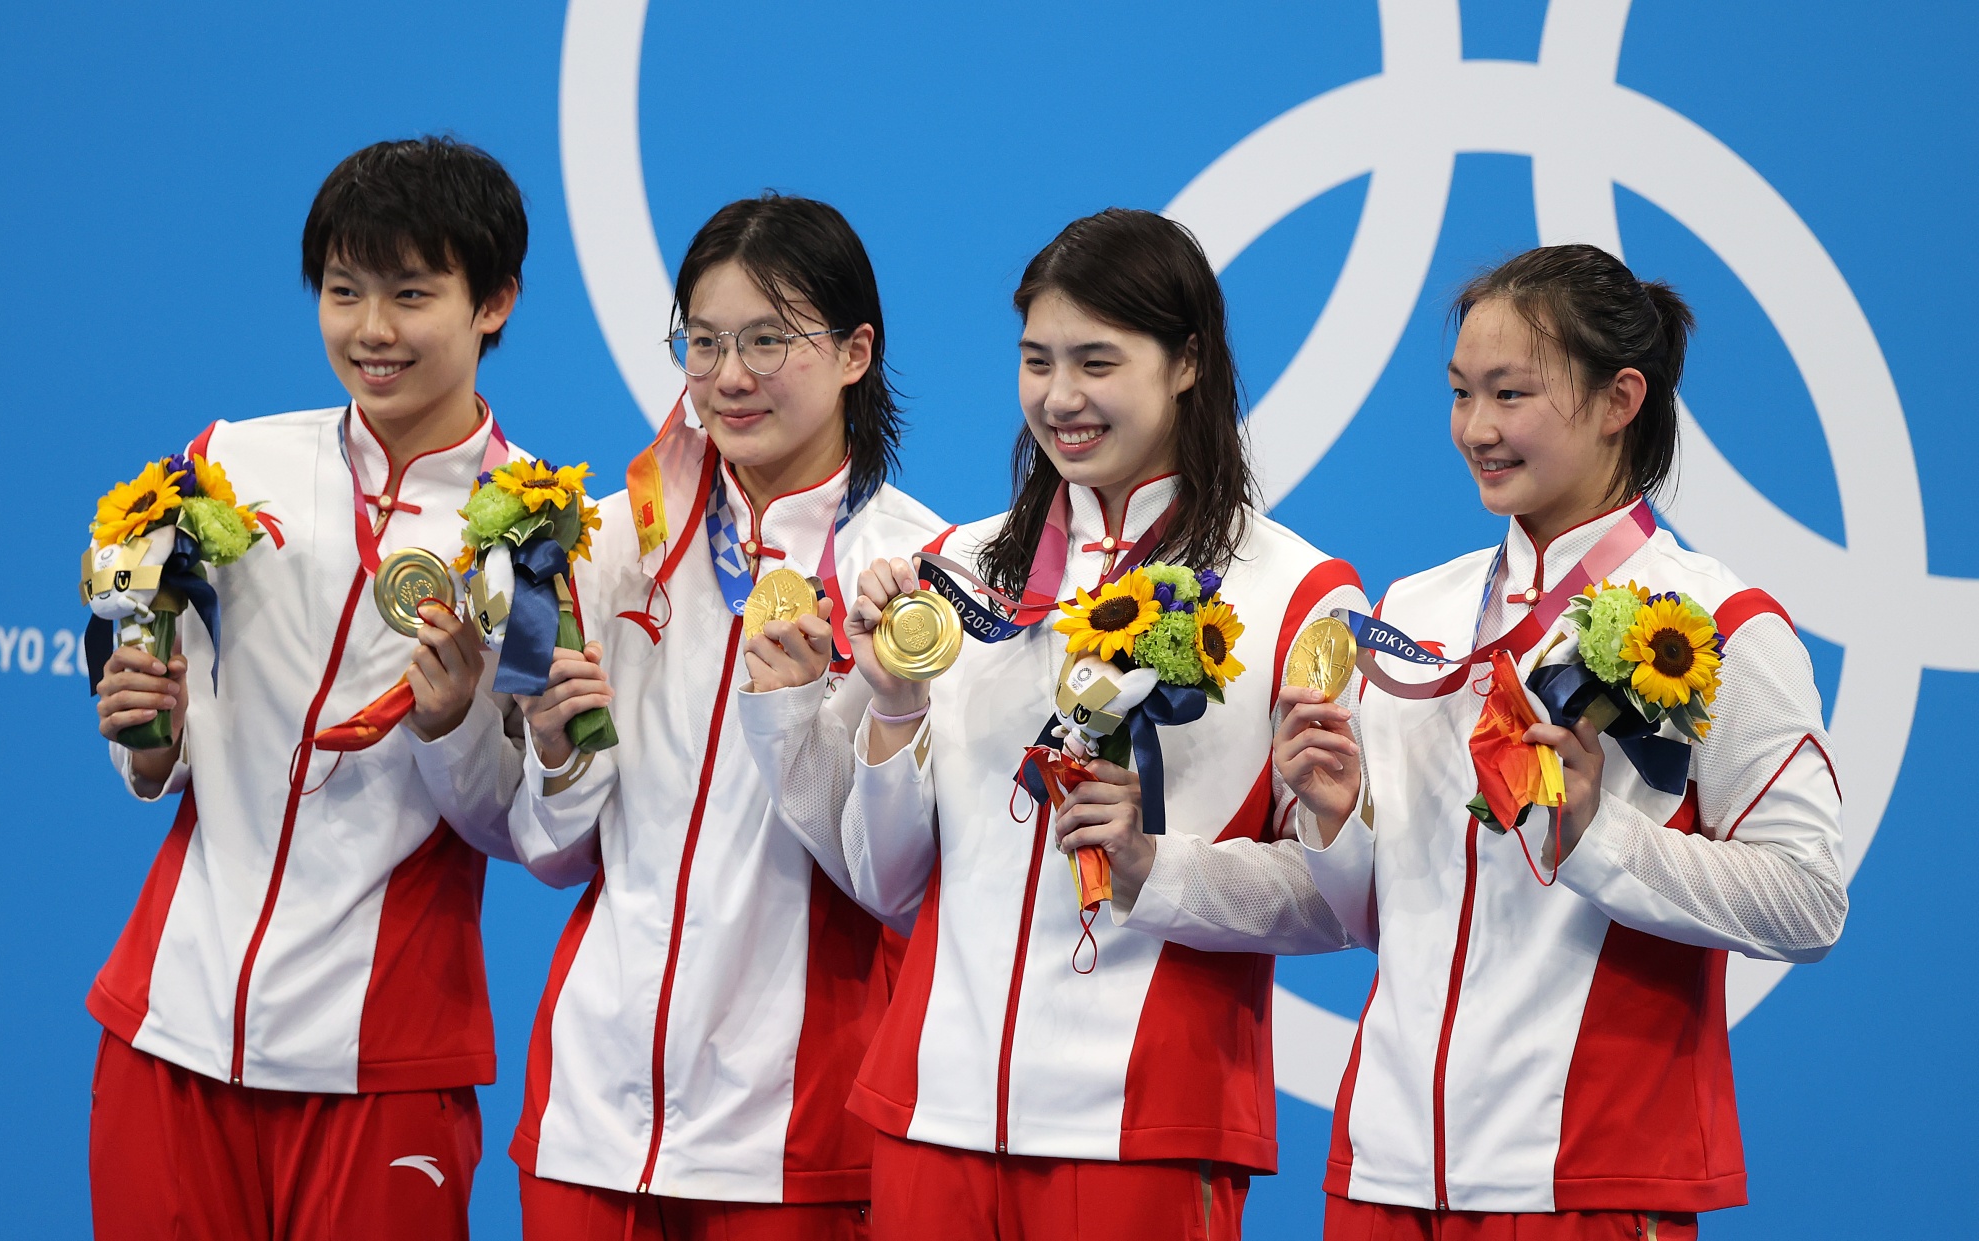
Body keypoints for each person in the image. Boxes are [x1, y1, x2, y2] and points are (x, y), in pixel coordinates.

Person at [740, 208, 1368, 1240]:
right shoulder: (952, 573)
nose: (1059, 397)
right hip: (931, 1108)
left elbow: (1331, 898)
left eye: (1095, 361)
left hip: (1143, 1126)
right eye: (1035, 360)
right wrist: (891, 709)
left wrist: (1149, 866)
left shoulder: (1296, 594)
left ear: (1186, 364)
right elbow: (888, 881)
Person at [1284, 244, 1847, 1240]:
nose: (1474, 429)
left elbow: (1807, 902)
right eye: (1458, 392)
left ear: (1618, 396)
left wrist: (1595, 836)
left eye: (1510, 393)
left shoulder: (1716, 623)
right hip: (1384, 1170)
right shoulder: (1413, 611)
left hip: (1585, 1176)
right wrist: (1335, 820)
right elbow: (1375, 910)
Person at [87, 136, 546, 1237]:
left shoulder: (531, 533)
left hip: (382, 1056)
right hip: (172, 1025)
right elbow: (159, 729)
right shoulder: (230, 464)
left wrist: (448, 725)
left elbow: (522, 822)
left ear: (493, 303)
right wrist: (147, 741)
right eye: (344, 291)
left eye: (409, 293)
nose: (371, 330)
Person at [505, 194, 942, 1240]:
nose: (730, 376)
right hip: (589, 1114)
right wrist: (556, 754)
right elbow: (547, 849)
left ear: (853, 351)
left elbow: (899, 883)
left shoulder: (915, 576)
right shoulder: (603, 543)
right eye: (702, 344)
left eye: (765, 340)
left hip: (791, 1134)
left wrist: (797, 711)